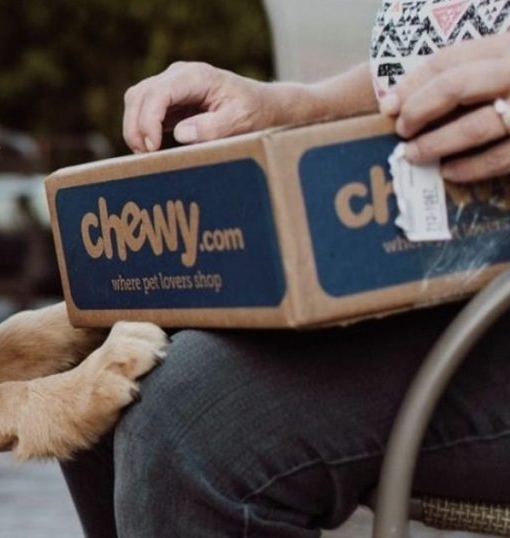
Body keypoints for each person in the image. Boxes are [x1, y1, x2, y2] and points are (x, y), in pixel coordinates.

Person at [60, 2, 510, 536]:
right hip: (444, 270)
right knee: (101, 372)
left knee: (196, 420)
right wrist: (286, 105)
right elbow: (436, 61)